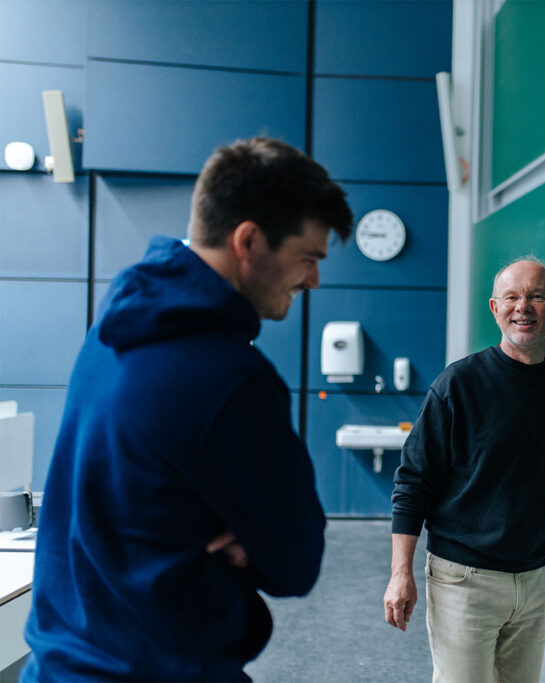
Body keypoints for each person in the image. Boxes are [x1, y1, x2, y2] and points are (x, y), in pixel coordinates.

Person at [22, 137, 353, 682]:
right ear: (248, 240)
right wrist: (250, 534)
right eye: (309, 257)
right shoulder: (232, 379)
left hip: (60, 665)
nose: (314, 280)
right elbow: (296, 562)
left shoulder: (113, 330)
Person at [384, 257, 545, 683]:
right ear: (494, 308)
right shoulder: (457, 385)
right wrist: (399, 573)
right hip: (463, 580)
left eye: (537, 296)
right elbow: (413, 482)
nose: (524, 307)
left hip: (537, 579)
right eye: (512, 297)